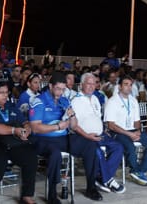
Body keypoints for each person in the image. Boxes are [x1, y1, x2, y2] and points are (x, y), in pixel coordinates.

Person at [29, 71, 103, 202]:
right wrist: (57, 127)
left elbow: (73, 126)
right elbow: (35, 127)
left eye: (63, 89)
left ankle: (91, 187)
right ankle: (52, 194)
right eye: (57, 88)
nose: (60, 92)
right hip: (42, 139)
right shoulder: (39, 101)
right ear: (50, 86)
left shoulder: (64, 100)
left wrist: (72, 115)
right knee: (55, 153)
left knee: (89, 145)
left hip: (62, 138)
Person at [0, 79, 38, 204]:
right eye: (1, 92)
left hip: (13, 142)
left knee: (31, 158)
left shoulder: (11, 106)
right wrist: (14, 130)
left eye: (7, 92)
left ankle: (27, 196)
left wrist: (26, 129)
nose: (5, 95)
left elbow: (24, 122)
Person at [69, 72, 126, 194]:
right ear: (81, 85)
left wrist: (103, 129)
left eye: (93, 84)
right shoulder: (76, 101)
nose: (91, 86)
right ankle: (108, 180)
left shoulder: (95, 98)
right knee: (97, 152)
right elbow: (74, 125)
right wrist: (87, 135)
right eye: (88, 84)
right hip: (85, 137)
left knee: (118, 147)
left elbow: (97, 117)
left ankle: (101, 177)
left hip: (101, 134)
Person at [103, 75, 147, 187]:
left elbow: (137, 120)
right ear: (119, 87)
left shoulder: (133, 100)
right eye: (126, 84)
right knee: (129, 146)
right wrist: (129, 134)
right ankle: (135, 170)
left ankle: (140, 170)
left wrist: (138, 131)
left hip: (132, 130)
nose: (129, 87)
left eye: (130, 85)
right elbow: (111, 125)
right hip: (117, 132)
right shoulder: (112, 101)